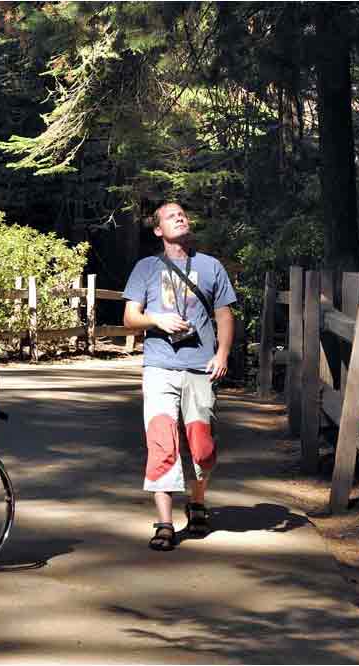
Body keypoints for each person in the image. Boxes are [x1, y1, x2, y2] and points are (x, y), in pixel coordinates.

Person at [122, 202, 236, 551]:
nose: (180, 217)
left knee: (202, 448)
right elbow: (130, 317)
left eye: (183, 213)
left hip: (201, 366)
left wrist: (222, 354)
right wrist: (158, 320)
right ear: (158, 230)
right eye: (171, 216)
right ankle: (165, 523)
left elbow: (225, 315)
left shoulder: (210, 266)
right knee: (161, 441)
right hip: (159, 366)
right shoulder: (146, 268)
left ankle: (198, 501)